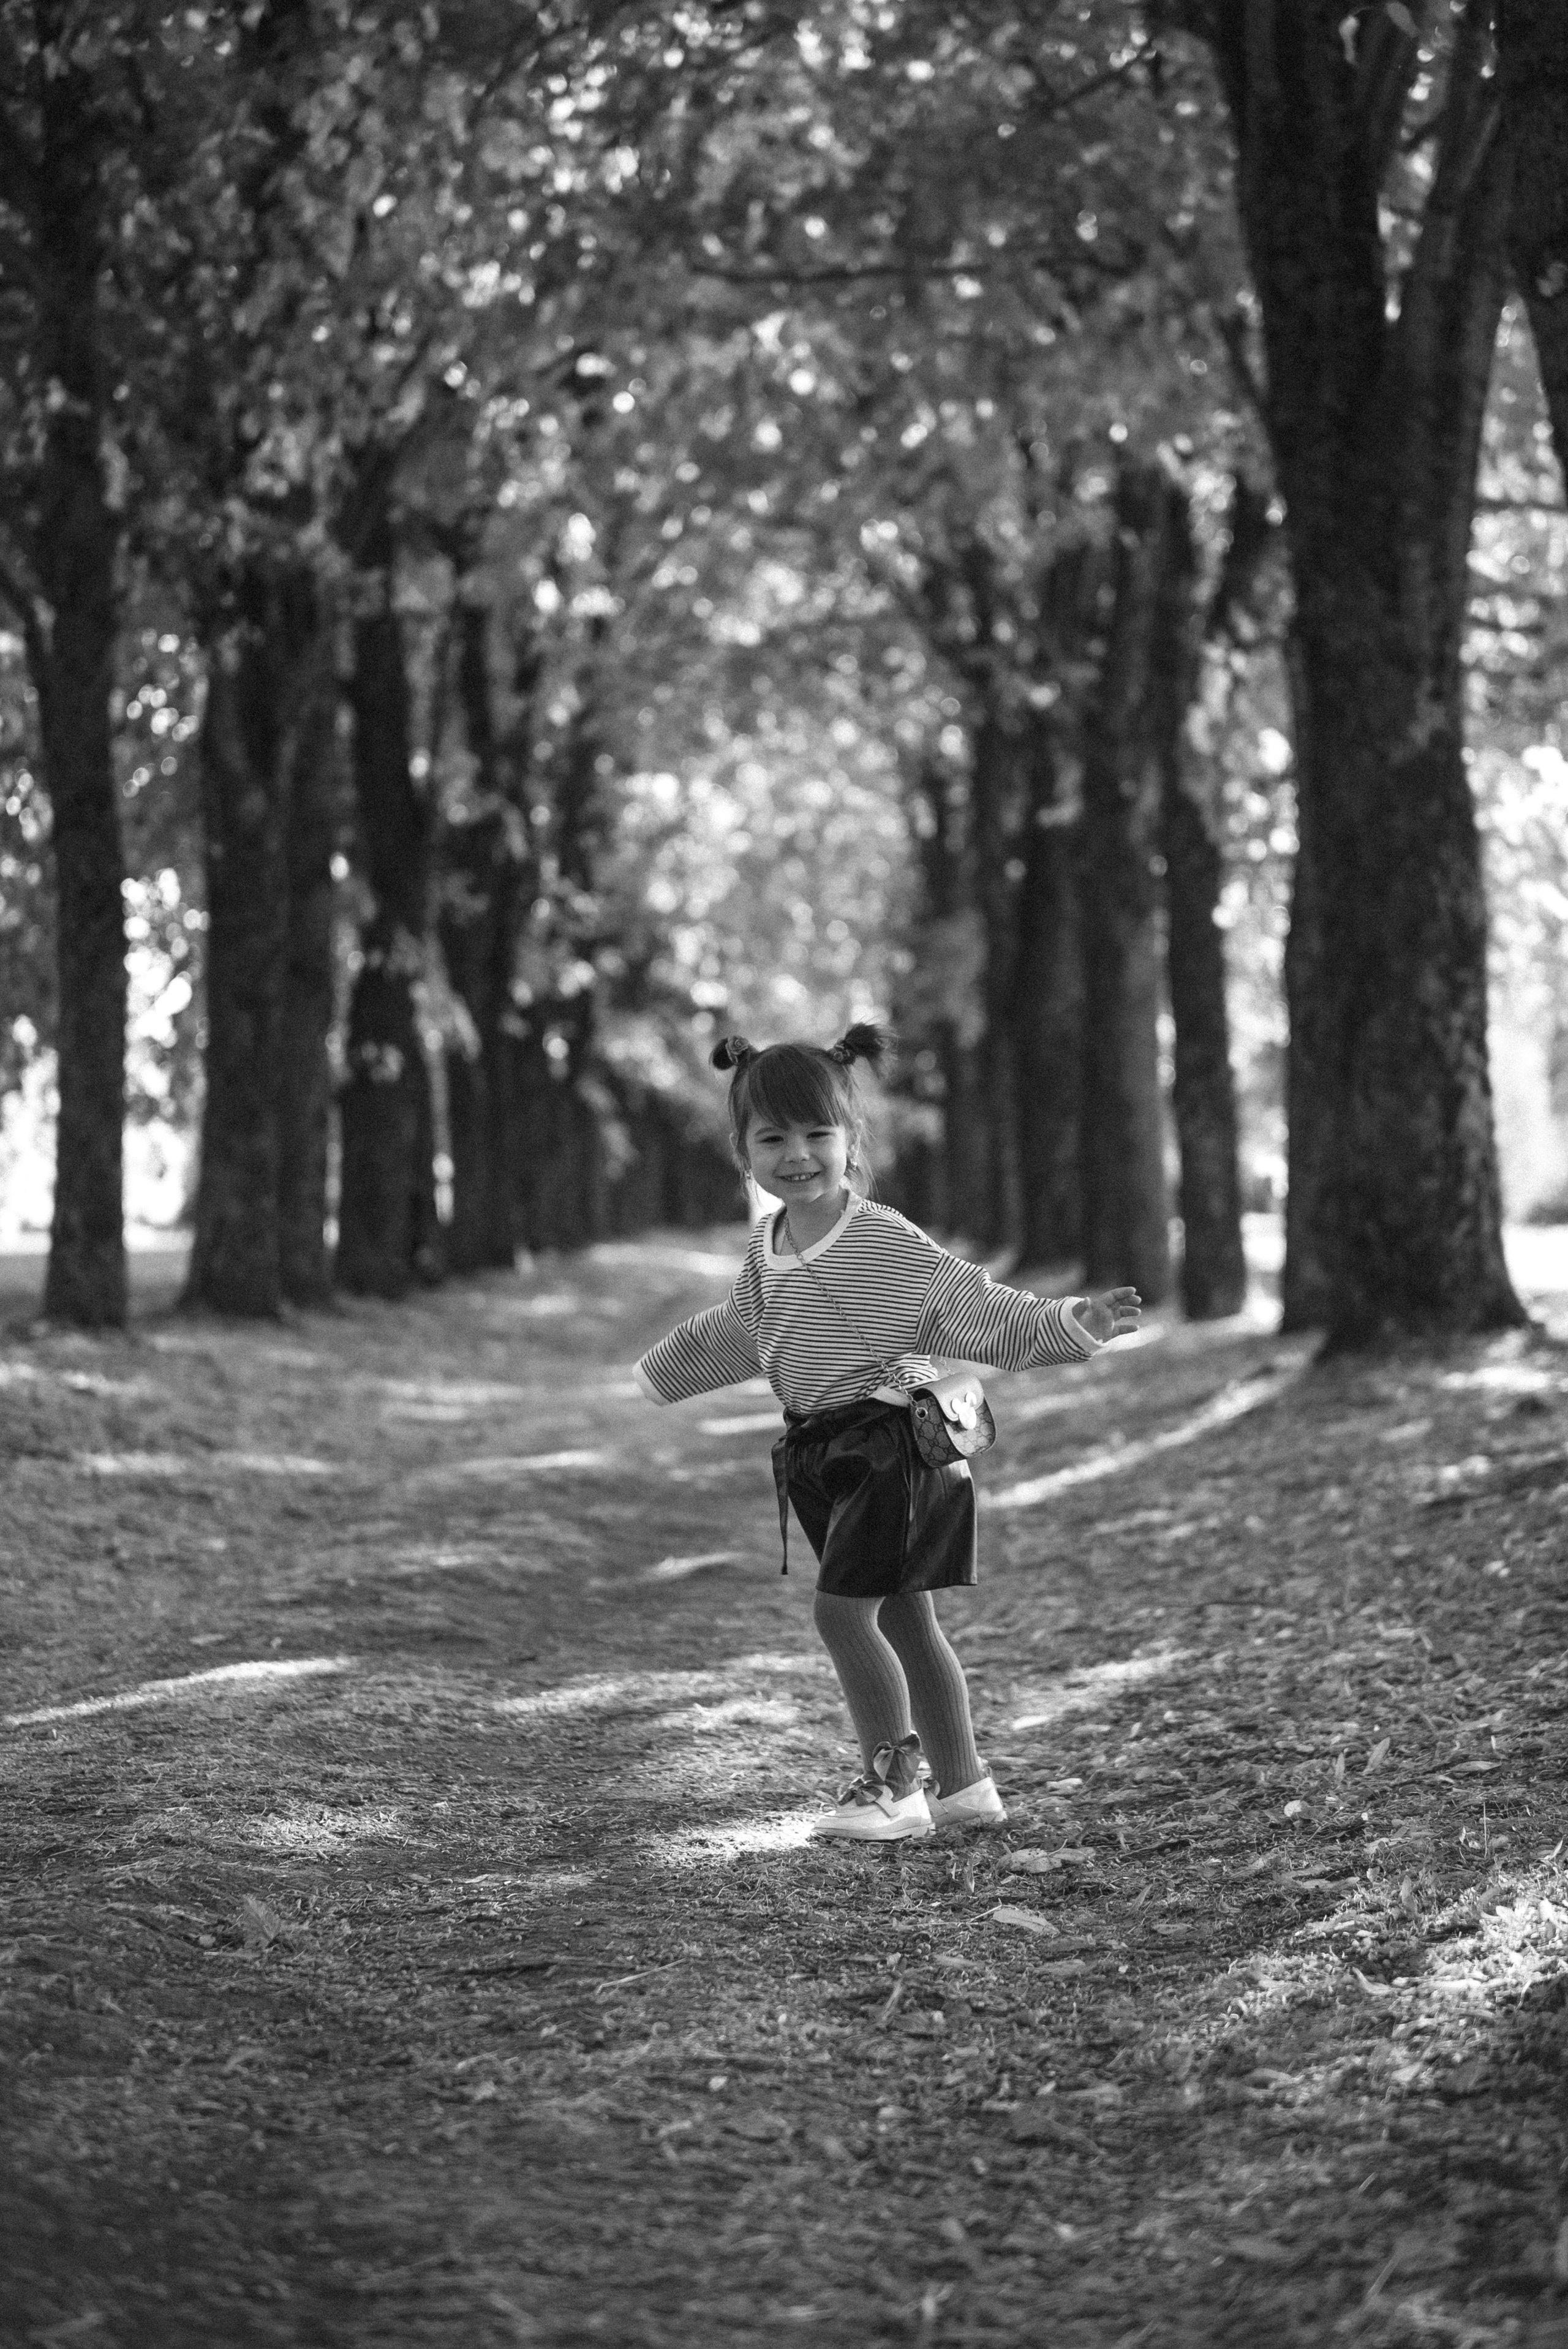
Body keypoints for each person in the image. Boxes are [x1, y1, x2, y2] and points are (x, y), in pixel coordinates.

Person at [633, 1025, 1142, 1844]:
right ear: (743, 1150)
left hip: (892, 1451)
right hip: (822, 1454)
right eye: (773, 1139)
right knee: (907, 1618)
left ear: (851, 1140)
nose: (797, 1156)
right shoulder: (767, 1250)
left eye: (817, 1135)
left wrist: (1069, 1324)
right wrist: (663, 1372)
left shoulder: (882, 1240)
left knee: (843, 1615)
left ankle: (891, 1788)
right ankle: (964, 1787)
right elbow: (742, 1330)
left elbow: (973, 1304)